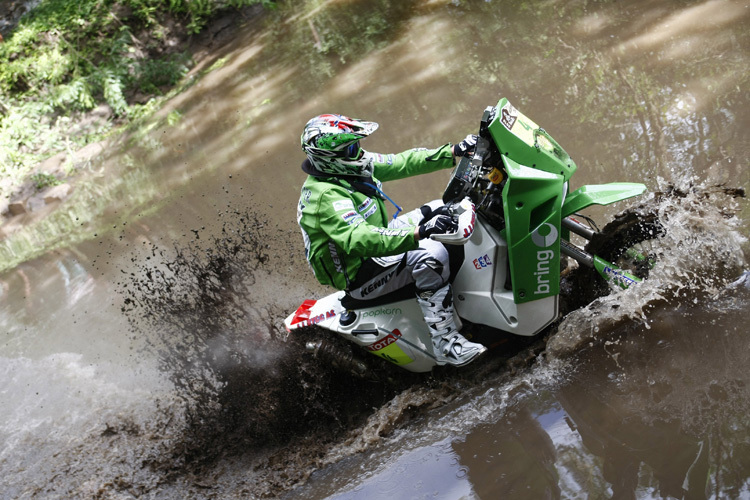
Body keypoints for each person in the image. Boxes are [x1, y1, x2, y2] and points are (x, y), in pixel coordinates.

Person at [297, 113, 486, 367]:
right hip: (360, 271)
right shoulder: (326, 198)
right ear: (331, 158)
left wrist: (454, 151)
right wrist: (419, 232)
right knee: (431, 255)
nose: (359, 151)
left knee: (444, 206)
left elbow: (401, 162)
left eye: (356, 145)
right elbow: (360, 238)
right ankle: (446, 342)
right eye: (351, 147)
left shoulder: (352, 165)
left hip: (376, 242)